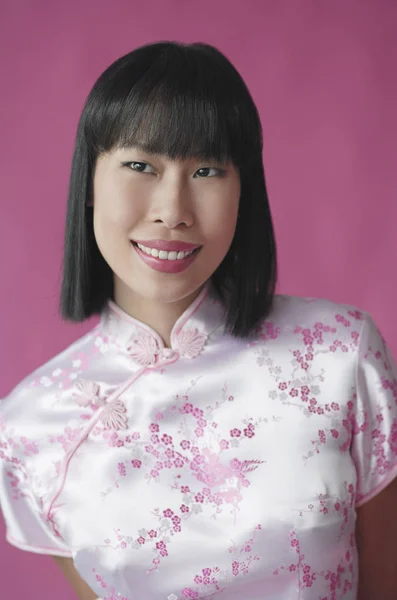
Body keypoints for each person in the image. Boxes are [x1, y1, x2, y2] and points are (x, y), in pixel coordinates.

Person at [0, 40, 396, 600]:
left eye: (207, 170)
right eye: (140, 165)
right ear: (89, 181)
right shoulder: (28, 428)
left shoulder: (340, 354)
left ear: (244, 193)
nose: (172, 210)